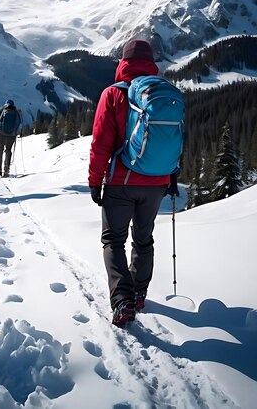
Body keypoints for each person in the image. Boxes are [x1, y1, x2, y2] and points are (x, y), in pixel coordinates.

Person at [88, 39, 178, 327]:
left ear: (123, 62)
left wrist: (94, 181)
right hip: (156, 182)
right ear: (151, 62)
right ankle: (139, 294)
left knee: (113, 240)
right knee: (144, 238)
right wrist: (172, 175)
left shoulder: (113, 94)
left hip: (120, 182)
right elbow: (175, 140)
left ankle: (123, 300)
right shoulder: (163, 93)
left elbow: (100, 144)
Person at [0, 99, 21, 176]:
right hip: (11, 135)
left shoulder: (1, 109)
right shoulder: (16, 111)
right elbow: (18, 123)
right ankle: (6, 169)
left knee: (0, 150)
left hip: (1, 134)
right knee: (8, 150)